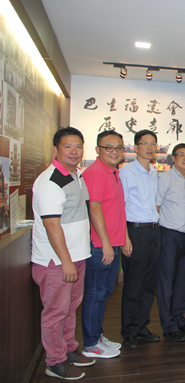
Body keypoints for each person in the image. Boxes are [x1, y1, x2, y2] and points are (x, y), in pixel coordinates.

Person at [32, 127, 95, 380]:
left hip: (77, 256)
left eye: (78, 146)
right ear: (56, 149)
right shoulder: (50, 181)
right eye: (68, 146)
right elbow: (51, 225)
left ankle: (69, 349)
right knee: (56, 312)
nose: (74, 151)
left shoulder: (76, 175)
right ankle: (54, 361)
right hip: (56, 261)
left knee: (70, 307)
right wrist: (65, 261)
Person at [80, 130, 126, 359]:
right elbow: (94, 208)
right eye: (109, 147)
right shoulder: (96, 172)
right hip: (100, 246)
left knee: (104, 292)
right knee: (95, 294)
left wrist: (122, 240)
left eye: (119, 147)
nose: (114, 151)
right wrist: (105, 244)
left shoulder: (113, 172)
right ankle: (90, 344)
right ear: (98, 150)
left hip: (113, 243)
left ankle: (96, 336)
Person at [119, 129, 161, 348]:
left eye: (153, 143)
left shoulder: (154, 172)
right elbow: (121, 207)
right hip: (135, 232)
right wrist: (125, 239)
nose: (150, 147)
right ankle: (128, 332)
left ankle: (142, 326)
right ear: (135, 147)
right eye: (145, 143)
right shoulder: (126, 172)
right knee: (133, 285)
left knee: (148, 285)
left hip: (154, 231)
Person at [156, 143, 185, 342]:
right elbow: (156, 206)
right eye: (182, 155)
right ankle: (168, 325)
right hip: (169, 235)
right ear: (173, 158)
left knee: (183, 281)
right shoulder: (165, 178)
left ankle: (179, 319)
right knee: (166, 282)